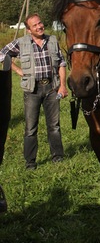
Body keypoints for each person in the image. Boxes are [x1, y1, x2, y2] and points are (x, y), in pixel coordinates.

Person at [0, 13, 68, 169]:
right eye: (35, 25)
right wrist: (17, 70)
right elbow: (2, 54)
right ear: (29, 30)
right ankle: (30, 162)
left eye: (40, 23)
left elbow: (62, 63)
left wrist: (63, 86)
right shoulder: (21, 42)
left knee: (54, 126)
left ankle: (57, 157)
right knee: (30, 128)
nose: (39, 27)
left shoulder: (52, 40)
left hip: (52, 88)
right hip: (32, 90)